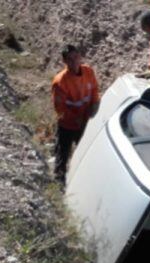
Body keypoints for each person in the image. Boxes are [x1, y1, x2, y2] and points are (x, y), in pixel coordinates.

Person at [51, 45, 100, 183]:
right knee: (63, 155)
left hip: (85, 122)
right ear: (65, 61)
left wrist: (95, 104)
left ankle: (84, 180)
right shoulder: (60, 82)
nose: (74, 61)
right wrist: (75, 119)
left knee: (85, 152)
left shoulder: (88, 71)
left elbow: (95, 89)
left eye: (76, 57)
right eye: (70, 59)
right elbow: (60, 108)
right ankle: (59, 182)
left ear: (80, 56)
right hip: (67, 125)